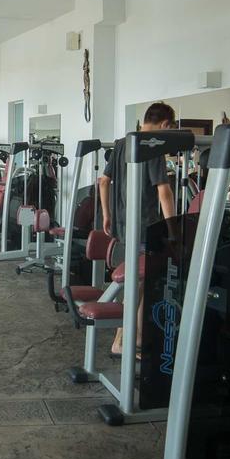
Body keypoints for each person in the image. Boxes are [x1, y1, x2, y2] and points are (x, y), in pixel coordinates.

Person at [99, 101, 177, 356]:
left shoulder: (122, 143)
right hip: (145, 226)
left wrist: (107, 215)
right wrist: (173, 228)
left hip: (123, 224)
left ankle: (138, 337)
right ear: (165, 125)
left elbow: (103, 182)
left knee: (143, 280)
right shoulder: (152, 146)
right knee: (138, 284)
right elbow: (164, 192)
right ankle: (120, 341)